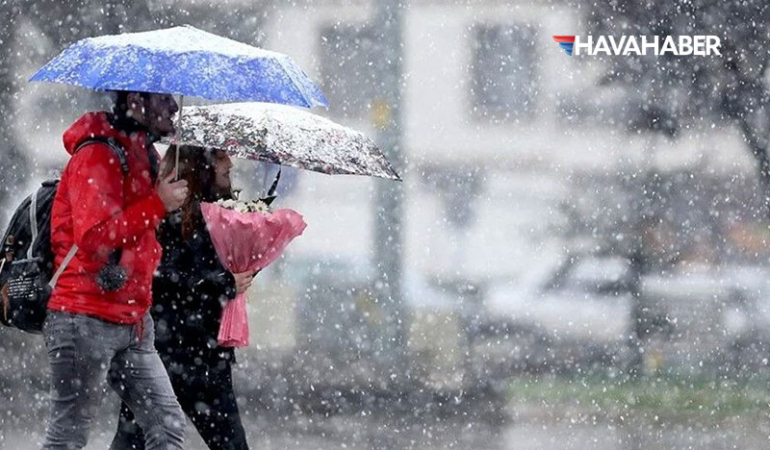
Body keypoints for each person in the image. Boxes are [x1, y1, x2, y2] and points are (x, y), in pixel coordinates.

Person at [43, 91, 190, 450]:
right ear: (136, 101)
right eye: (163, 98)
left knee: (167, 426)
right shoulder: (98, 153)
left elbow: (143, 233)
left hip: (133, 320)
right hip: (84, 315)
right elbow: (95, 237)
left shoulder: (144, 154)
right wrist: (158, 203)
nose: (173, 106)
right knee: (68, 436)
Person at [110, 145, 254, 450]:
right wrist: (221, 284)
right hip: (164, 352)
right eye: (220, 155)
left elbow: (216, 276)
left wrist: (246, 268)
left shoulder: (225, 213)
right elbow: (160, 278)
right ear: (201, 165)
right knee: (133, 441)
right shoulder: (167, 214)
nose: (230, 161)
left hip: (207, 356)